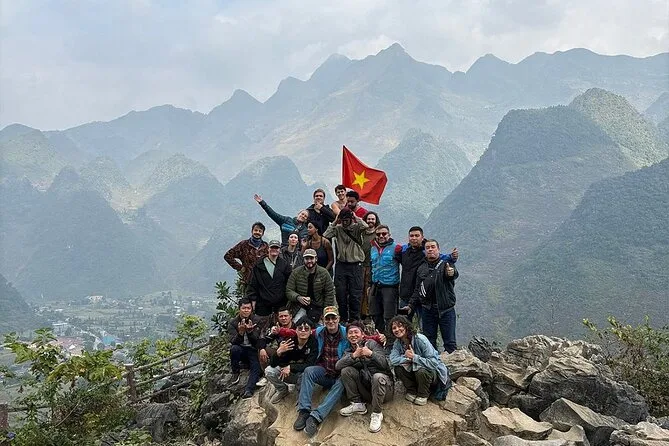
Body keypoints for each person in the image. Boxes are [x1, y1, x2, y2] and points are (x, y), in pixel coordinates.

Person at [293, 306, 347, 438]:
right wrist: (278, 331)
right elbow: (301, 332)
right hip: (325, 371)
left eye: (333, 318)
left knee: (342, 381)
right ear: (323, 319)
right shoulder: (319, 332)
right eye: (327, 318)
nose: (331, 321)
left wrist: (380, 338)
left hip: (340, 374)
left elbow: (362, 336)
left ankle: (316, 417)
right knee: (309, 371)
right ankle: (304, 411)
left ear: (338, 318)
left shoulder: (346, 333)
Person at [336, 322, 393, 433]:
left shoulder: (372, 344)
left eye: (356, 332)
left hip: (384, 390)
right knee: (346, 370)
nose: (353, 335)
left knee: (377, 377)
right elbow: (338, 366)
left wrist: (371, 354)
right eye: (350, 333)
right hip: (367, 390)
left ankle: (377, 413)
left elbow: (385, 364)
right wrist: (354, 356)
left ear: (362, 334)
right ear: (347, 336)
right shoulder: (349, 351)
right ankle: (357, 404)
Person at [404, 240, 459, 353]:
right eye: (427, 247)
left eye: (433, 247)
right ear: (425, 251)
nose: (430, 249)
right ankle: (433, 363)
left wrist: (451, 273)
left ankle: (452, 363)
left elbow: (452, 274)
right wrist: (411, 305)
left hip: (446, 309)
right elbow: (418, 289)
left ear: (438, 249)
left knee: (450, 342)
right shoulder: (421, 268)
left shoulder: (446, 264)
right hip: (427, 310)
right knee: (429, 342)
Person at [396, 226, 458, 321]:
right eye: (411, 236)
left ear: (422, 237)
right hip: (405, 297)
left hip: (422, 299)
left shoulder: (426, 251)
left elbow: (440, 257)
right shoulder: (404, 251)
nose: (414, 238)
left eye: (417, 235)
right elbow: (395, 257)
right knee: (402, 322)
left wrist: (452, 257)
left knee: (423, 326)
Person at [388, 315, 451, 406]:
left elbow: (434, 362)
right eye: (394, 328)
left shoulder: (420, 339)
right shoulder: (398, 343)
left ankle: (423, 394)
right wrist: (406, 357)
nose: (397, 329)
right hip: (414, 373)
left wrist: (415, 358)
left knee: (421, 370)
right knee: (398, 368)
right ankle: (412, 391)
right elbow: (393, 360)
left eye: (400, 326)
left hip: (431, 373)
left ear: (406, 326)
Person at [322, 208, 367, 322]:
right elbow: (326, 235)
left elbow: (365, 226)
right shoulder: (338, 229)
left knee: (355, 294)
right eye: (343, 220)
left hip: (355, 264)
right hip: (341, 264)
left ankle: (354, 319)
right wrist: (335, 221)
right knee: (340, 293)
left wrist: (356, 217)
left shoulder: (356, 228)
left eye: (346, 220)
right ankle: (342, 318)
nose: (345, 222)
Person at [266, 316, 318, 404]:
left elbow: (310, 364)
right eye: (300, 328)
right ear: (296, 330)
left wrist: (290, 366)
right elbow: (273, 364)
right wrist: (278, 352)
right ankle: (283, 390)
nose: (303, 331)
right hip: (289, 374)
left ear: (310, 331)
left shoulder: (314, 343)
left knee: (306, 373)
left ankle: (301, 398)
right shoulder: (290, 342)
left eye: (306, 329)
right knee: (269, 371)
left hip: (305, 375)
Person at [285, 249, 336, 325]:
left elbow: (330, 293)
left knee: (322, 326)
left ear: (316, 259)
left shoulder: (324, 273)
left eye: (311, 258)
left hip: (319, 306)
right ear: (303, 260)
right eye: (307, 259)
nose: (309, 261)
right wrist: (298, 297)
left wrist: (325, 311)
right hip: (300, 306)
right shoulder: (296, 272)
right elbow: (289, 290)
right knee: (296, 324)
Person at [369, 225, 402, 335]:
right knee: (375, 313)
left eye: (384, 234)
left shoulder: (396, 248)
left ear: (389, 235)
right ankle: (380, 337)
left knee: (389, 316)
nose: (381, 236)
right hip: (375, 286)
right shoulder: (373, 248)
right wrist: (369, 285)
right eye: (378, 234)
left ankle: (391, 339)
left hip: (390, 287)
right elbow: (371, 267)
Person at [246, 240, 292, 317]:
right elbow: (253, 283)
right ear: (268, 249)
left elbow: (289, 282)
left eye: (276, 248)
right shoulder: (259, 264)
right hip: (263, 303)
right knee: (263, 323)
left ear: (279, 250)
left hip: (280, 303)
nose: (274, 249)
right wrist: (252, 299)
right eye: (272, 247)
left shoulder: (284, 264)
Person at [228, 299, 263, 399]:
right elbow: (233, 341)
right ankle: (236, 372)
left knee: (255, 367)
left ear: (251, 309)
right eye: (244, 308)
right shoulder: (233, 322)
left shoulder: (257, 320)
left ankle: (249, 390)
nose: (246, 310)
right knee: (234, 349)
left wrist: (250, 332)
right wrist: (240, 333)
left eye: (248, 308)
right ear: (239, 309)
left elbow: (258, 340)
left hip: (253, 349)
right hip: (241, 349)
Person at [224, 222, 269, 287]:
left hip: (263, 282)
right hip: (248, 281)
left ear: (262, 234)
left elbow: (270, 260)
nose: (257, 232)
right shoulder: (243, 244)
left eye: (260, 231)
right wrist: (240, 267)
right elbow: (227, 256)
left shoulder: (265, 246)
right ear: (252, 231)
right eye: (256, 230)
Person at [360, 211, 380, 319]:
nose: (370, 221)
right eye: (368, 219)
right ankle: (360, 313)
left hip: (372, 266)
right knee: (360, 289)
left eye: (372, 219)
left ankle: (369, 313)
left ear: (376, 221)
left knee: (369, 290)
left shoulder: (378, 234)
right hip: (360, 265)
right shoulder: (361, 233)